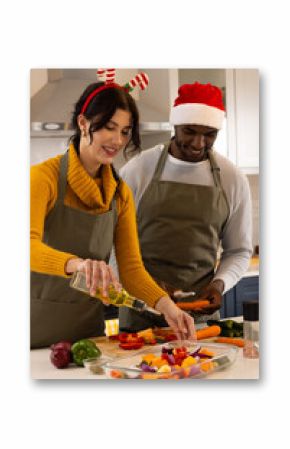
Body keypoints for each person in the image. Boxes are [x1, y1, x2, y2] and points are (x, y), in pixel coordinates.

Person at [30, 74, 196, 348]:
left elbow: (131, 269)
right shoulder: (42, 178)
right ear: (83, 123)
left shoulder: (119, 194)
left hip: (86, 337)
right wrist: (78, 265)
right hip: (31, 333)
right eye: (109, 127)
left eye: (125, 131)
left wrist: (169, 308)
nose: (117, 140)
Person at [115, 81, 253, 332]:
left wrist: (219, 284)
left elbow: (239, 251)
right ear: (175, 124)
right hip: (140, 319)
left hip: (200, 321)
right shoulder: (138, 171)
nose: (199, 143)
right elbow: (112, 243)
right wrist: (147, 289)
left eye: (210, 134)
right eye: (190, 131)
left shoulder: (232, 178)